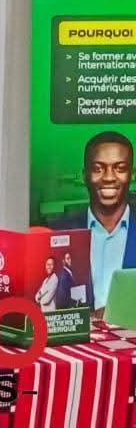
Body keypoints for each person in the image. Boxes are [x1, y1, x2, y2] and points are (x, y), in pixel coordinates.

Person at [49, 131, 135, 312]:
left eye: (120, 168)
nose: (109, 177)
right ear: (84, 175)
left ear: (132, 174)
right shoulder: (57, 234)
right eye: (98, 168)